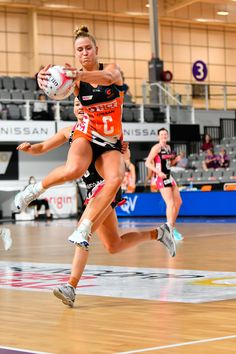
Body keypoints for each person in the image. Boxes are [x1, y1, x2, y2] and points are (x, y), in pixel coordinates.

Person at [17, 99, 176, 307]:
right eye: (76, 105)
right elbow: (43, 146)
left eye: (83, 104)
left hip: (106, 186)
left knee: (84, 232)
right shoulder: (69, 132)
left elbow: (125, 155)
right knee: (113, 245)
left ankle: (71, 287)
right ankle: (160, 233)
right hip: (92, 190)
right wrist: (31, 149)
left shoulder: (105, 129)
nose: (80, 108)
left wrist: (124, 150)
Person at [15, 25, 126, 251]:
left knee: (115, 179)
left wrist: (78, 74)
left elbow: (106, 78)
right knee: (74, 169)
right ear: (75, 53)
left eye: (88, 48)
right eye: (79, 50)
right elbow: (55, 86)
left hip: (110, 141)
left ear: (97, 49)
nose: (84, 53)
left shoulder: (112, 70)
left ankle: (84, 227)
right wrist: (42, 79)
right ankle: (34, 191)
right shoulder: (73, 80)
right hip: (87, 132)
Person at [145, 128, 183, 241]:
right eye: (161, 134)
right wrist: (158, 172)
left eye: (165, 134)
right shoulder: (156, 147)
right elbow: (147, 163)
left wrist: (175, 160)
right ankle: (170, 230)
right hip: (161, 177)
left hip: (169, 176)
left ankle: (171, 227)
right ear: (158, 136)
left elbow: (168, 164)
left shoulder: (168, 148)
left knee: (179, 202)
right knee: (170, 203)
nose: (164, 136)